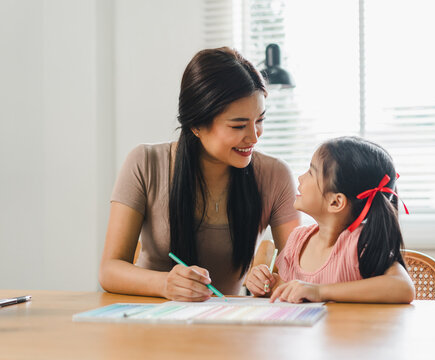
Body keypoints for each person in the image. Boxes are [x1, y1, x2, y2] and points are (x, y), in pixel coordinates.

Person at [99, 47, 300, 301]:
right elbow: (109, 270)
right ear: (196, 125)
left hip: (228, 328)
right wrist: (164, 284)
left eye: (259, 120)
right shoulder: (144, 163)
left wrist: (270, 281)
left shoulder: (275, 176)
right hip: (150, 324)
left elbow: (298, 274)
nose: (254, 136)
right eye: (238, 125)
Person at [246, 136, 415, 303]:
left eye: (311, 172)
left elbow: (403, 288)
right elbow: (292, 291)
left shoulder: (360, 244)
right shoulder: (297, 240)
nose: (300, 178)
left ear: (336, 202)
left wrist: (320, 291)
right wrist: (268, 285)